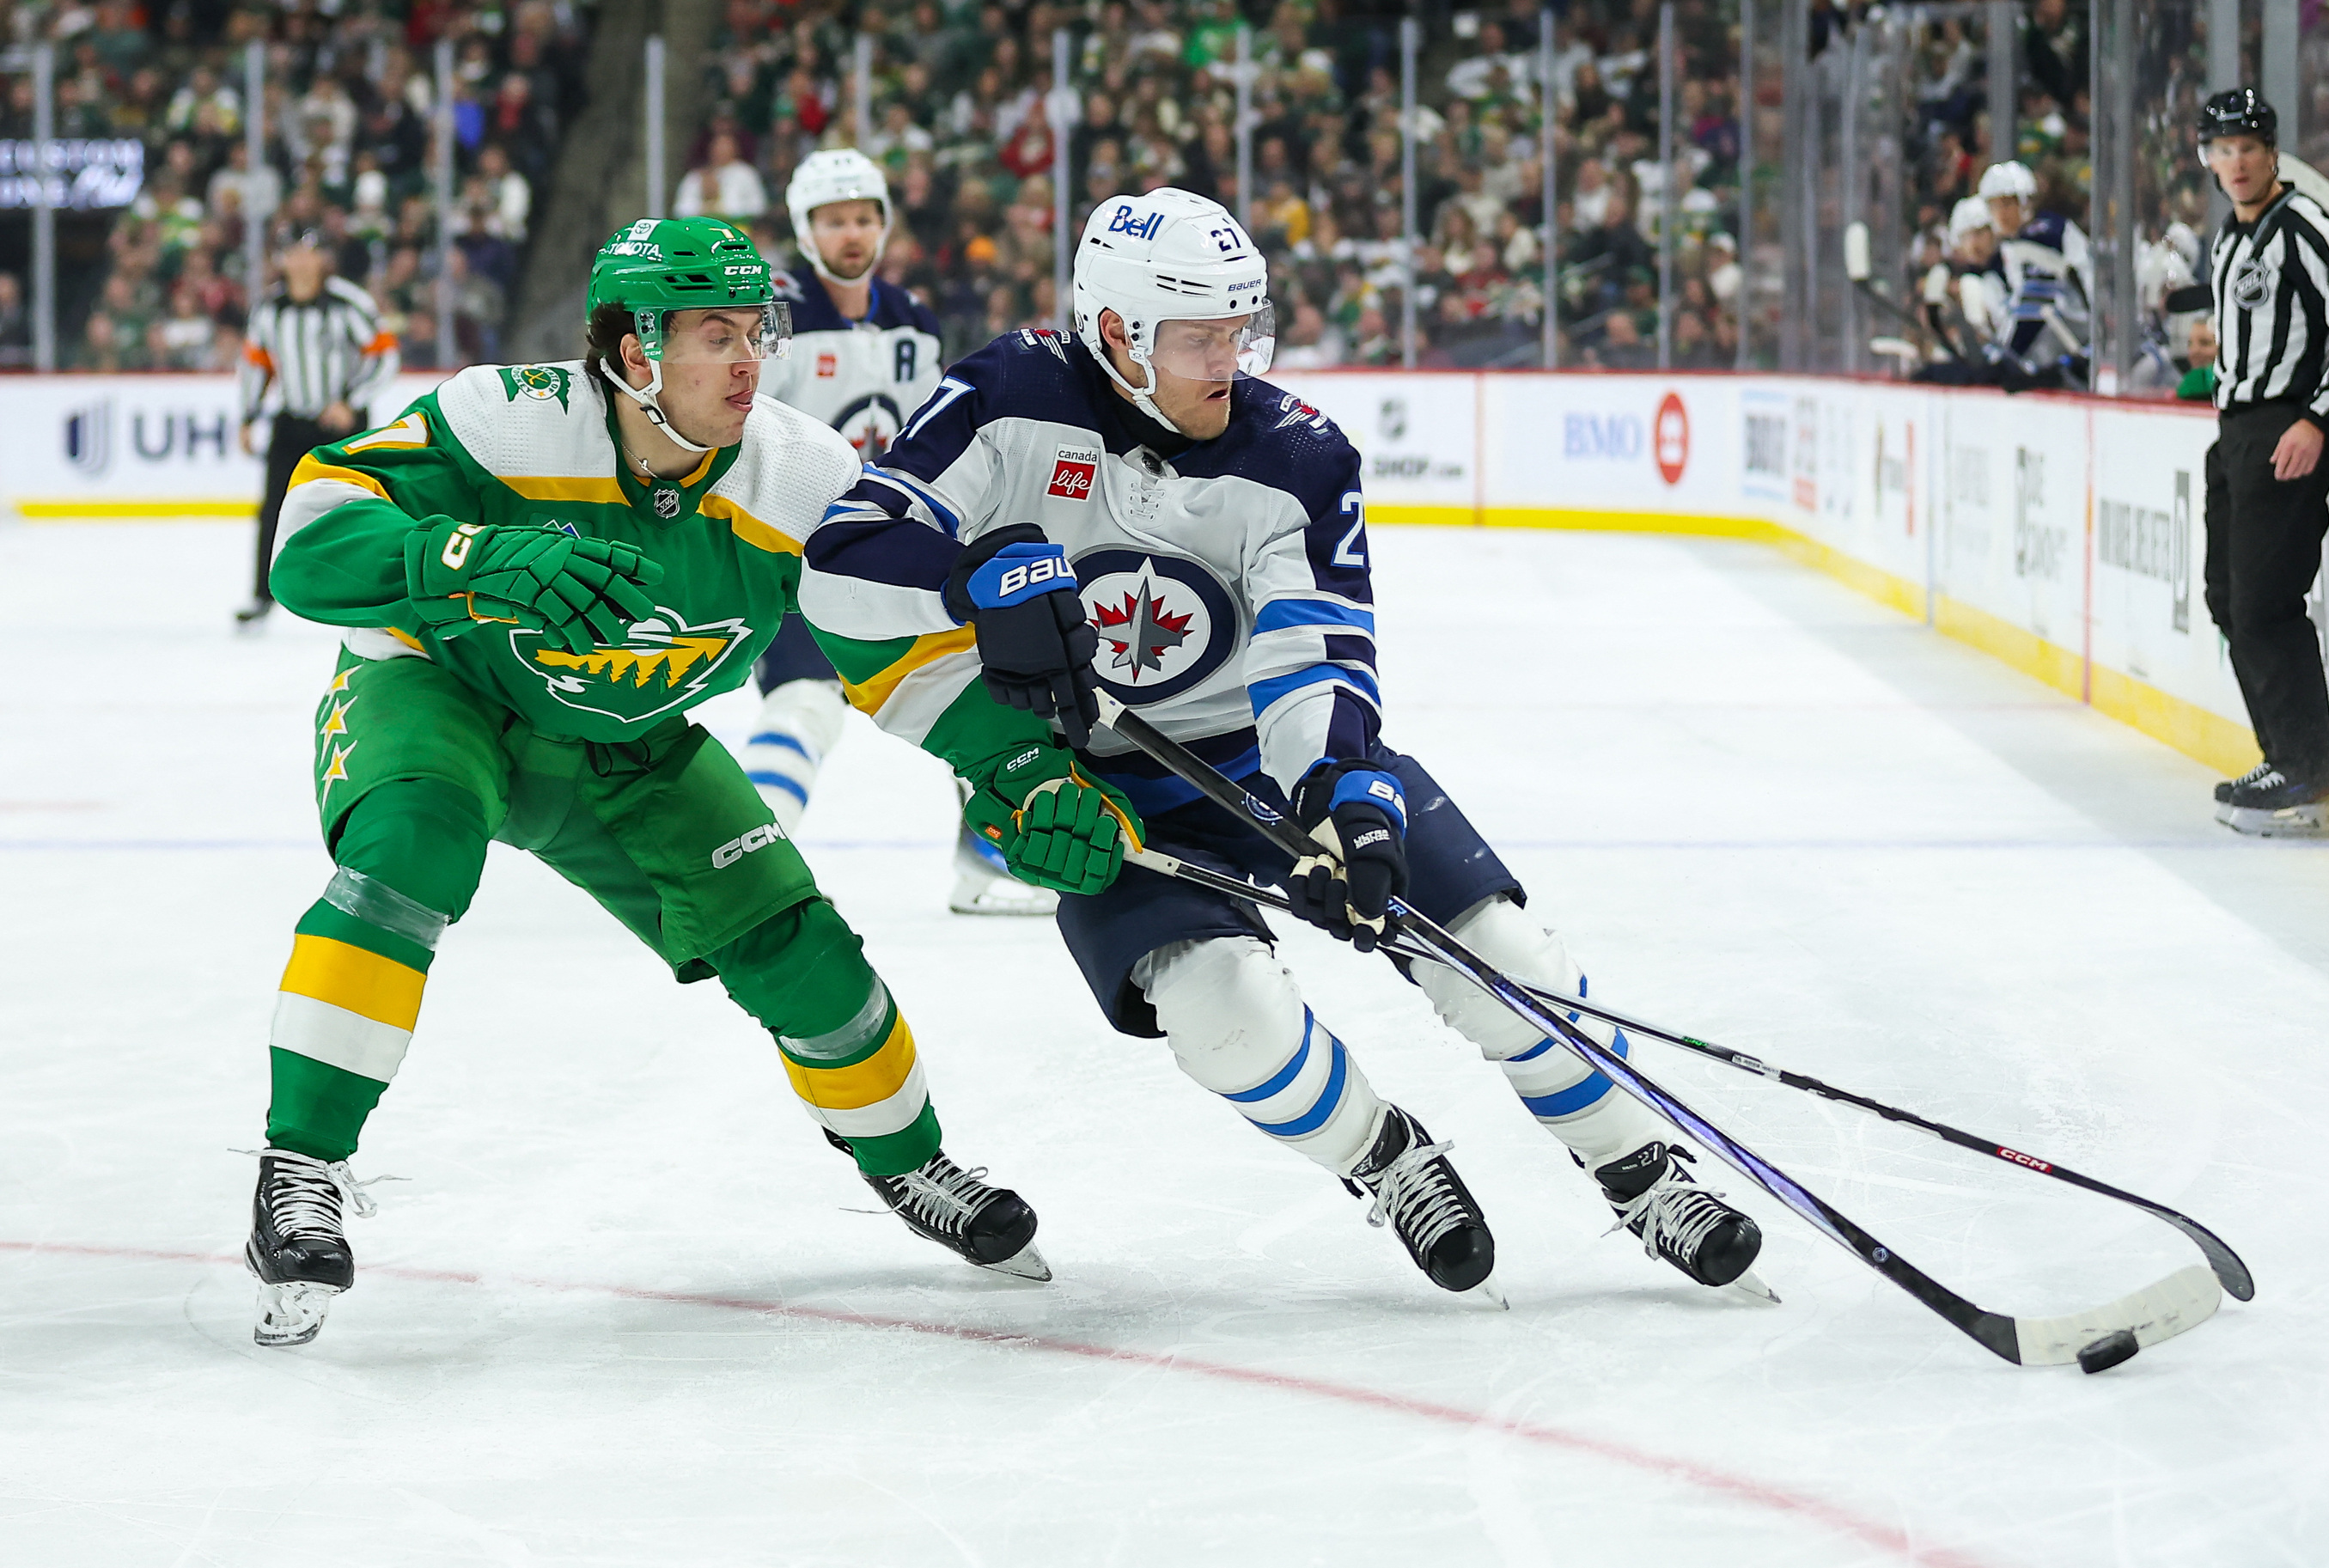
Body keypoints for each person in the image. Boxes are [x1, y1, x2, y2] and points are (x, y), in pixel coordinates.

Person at [793, 189, 1771, 1300]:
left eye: (1241, 330)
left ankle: (1640, 1173)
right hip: (1104, 784)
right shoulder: (1002, 398)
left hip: (1260, 756)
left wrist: (1342, 805)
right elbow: (844, 560)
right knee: (1221, 1014)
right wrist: (967, 582)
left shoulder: (1299, 456)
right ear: (1113, 333)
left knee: (1503, 955)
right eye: (1200, 337)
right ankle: (1384, 1156)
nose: (1231, 359)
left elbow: (1314, 654)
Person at [241, 217, 1046, 1349]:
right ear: (630, 355)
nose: (748, 358)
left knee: (797, 946)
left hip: (630, 741)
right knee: (409, 850)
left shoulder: (803, 476)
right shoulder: (500, 418)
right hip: (443, 690)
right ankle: (300, 1166)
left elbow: (895, 650)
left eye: (754, 329)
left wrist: (1016, 766)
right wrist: (467, 558)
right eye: (713, 334)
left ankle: (912, 1164)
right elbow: (308, 540)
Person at [742, 149, 1051, 917]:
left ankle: (989, 856)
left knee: (980, 690)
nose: (852, 233)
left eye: (864, 217)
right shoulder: (773, 315)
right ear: (804, 227)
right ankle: (741, 866)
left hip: (886, 550)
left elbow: (935, 438)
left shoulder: (911, 316)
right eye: (834, 219)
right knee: (806, 704)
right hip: (798, 550)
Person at [2191, 89, 2329, 837]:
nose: (2237, 162)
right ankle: (2282, 755)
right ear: (2207, 158)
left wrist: (2317, 418)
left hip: (2286, 433)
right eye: (2223, 149)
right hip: (2237, 436)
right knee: (2227, 598)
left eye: (2248, 146)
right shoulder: (2227, 241)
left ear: (2273, 151)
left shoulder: (2308, 230)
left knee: (2266, 605)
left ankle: (2307, 774)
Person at [234, 229, 399, 626]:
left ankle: (366, 593)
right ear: (283, 260)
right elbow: (257, 365)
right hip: (292, 420)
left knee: (358, 508)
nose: (303, 262)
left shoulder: (349, 303)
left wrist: (350, 400)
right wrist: (248, 415)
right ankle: (262, 595)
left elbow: (384, 356)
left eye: (311, 253)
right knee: (273, 508)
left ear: (323, 260)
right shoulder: (270, 309)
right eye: (294, 253)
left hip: (343, 423)